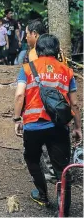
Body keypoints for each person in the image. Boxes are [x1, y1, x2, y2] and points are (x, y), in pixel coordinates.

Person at [13, 34, 82, 216]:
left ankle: (42, 194)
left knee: (33, 159)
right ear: (57, 50)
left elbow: (20, 95)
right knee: (62, 169)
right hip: (59, 127)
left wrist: (17, 119)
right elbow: (74, 103)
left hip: (33, 125)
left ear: (38, 50)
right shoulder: (66, 71)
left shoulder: (27, 69)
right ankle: (63, 209)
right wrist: (77, 128)